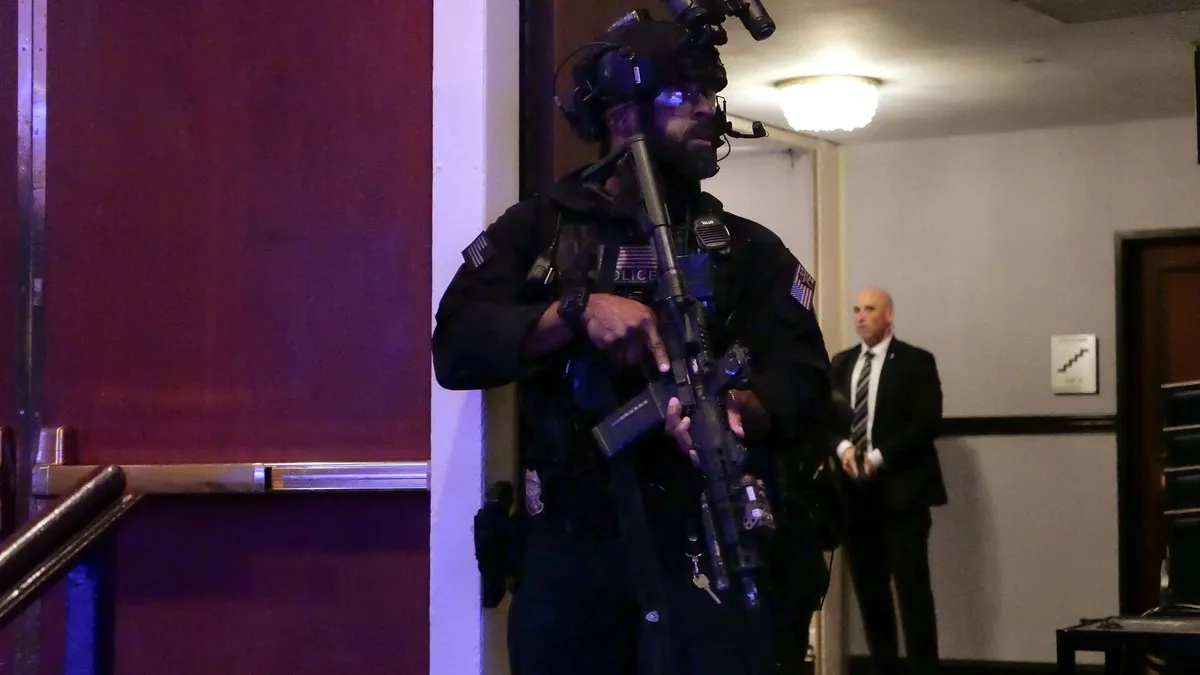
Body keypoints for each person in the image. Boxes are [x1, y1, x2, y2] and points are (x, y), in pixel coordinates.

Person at [432, 16, 832, 675]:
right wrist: (574, 312)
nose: (706, 109)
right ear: (622, 114)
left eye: (711, 95)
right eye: (685, 94)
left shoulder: (748, 249)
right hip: (575, 559)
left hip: (702, 548)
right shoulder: (539, 230)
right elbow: (455, 345)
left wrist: (736, 408)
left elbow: (806, 380)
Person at [830, 287, 945, 675]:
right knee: (870, 594)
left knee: (912, 591)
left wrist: (877, 458)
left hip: (903, 494)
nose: (860, 317)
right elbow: (825, 420)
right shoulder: (842, 363)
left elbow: (926, 422)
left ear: (889, 314)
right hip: (855, 496)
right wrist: (844, 449)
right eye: (856, 310)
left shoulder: (915, 361)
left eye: (869, 309)